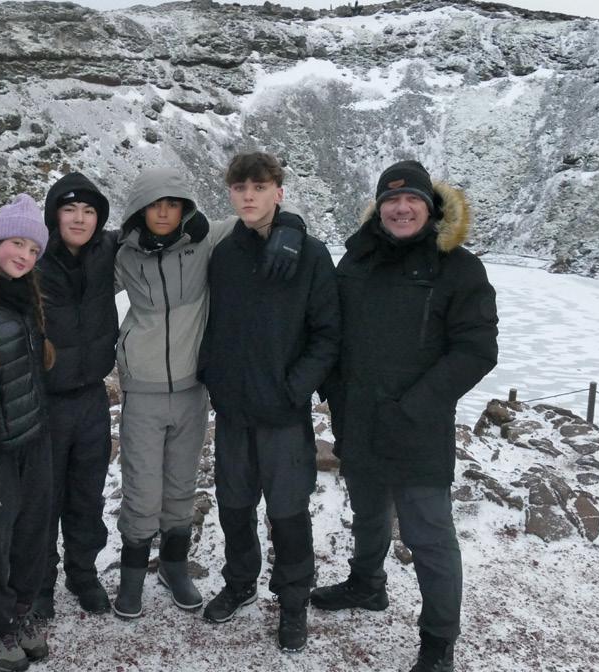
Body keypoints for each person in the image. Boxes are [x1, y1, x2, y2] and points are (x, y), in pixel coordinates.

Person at [311, 161, 498, 672]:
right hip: (358, 419)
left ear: (429, 207)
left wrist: (414, 406)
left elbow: (476, 350)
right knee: (368, 512)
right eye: (391, 200)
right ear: (379, 209)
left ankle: (438, 641)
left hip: (419, 427)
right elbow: (329, 331)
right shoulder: (356, 261)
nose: (401, 208)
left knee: (428, 535)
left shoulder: (458, 268)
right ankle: (367, 585)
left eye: (411, 199)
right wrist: (334, 392)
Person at [111, 167, 305, 619]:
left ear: (185, 208)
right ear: (140, 210)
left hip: (193, 388)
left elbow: (259, 216)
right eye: (155, 205)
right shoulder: (121, 253)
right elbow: (74, 268)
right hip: (141, 388)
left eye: (173, 204)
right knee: (142, 491)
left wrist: (291, 229)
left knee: (181, 487)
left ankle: (173, 567)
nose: (164, 212)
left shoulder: (208, 238)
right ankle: (131, 577)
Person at [198, 152, 340, 652]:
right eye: (240, 188)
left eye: (259, 187)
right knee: (234, 506)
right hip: (234, 410)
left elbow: (327, 334)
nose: (249, 196)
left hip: (282, 413)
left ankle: (293, 600)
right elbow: (214, 323)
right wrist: (215, 377)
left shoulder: (311, 255)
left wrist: (294, 389)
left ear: (278, 192)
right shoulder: (224, 255)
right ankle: (240, 583)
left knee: (287, 512)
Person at [0, 194, 55, 672]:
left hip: (33, 437)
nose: (24, 255)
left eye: (34, 249)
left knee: (30, 537)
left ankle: (21, 615)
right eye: (17, 243)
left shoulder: (26, 298)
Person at [34, 173, 117, 618]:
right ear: (54, 215)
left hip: (92, 397)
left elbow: (164, 231)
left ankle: (82, 573)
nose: (79, 219)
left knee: (88, 494)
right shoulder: (33, 257)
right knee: (43, 498)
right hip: (46, 399)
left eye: (88, 211)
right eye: (70, 210)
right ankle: (40, 582)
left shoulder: (108, 250)